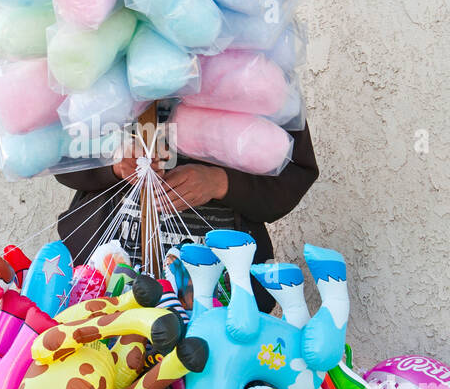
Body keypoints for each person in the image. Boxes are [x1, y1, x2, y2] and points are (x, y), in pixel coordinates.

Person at [55, 121, 319, 310]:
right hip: (98, 288)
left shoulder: (255, 69)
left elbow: (294, 175)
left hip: (220, 302)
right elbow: (53, 152)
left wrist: (220, 182)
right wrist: (112, 162)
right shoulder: (101, 67)